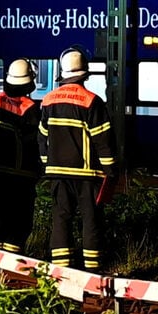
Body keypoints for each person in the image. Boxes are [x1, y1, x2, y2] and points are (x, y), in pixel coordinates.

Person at [38, 46, 117, 272]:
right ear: (84, 74)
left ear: (62, 75)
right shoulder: (92, 101)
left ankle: (62, 270)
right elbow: (103, 140)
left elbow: (42, 137)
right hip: (87, 175)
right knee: (91, 220)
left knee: (61, 219)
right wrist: (110, 170)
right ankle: (92, 269)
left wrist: (47, 163)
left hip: (57, 174)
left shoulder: (48, 100)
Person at [0, 58, 42, 254]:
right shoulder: (31, 108)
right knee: (20, 220)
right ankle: (12, 262)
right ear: (29, 82)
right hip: (22, 173)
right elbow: (35, 142)